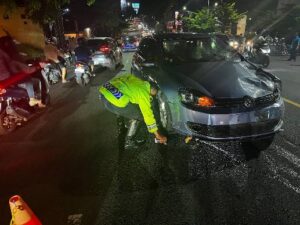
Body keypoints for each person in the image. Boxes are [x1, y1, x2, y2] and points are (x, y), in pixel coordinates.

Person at [99, 74, 167, 149]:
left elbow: (126, 78)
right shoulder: (143, 93)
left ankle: (123, 124)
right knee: (138, 116)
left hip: (105, 89)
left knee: (130, 106)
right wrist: (157, 135)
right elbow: (148, 115)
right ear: (153, 91)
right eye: (155, 95)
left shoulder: (139, 81)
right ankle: (129, 141)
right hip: (111, 101)